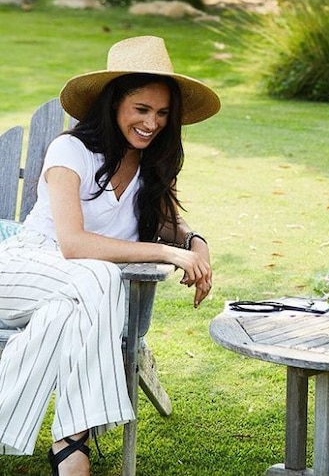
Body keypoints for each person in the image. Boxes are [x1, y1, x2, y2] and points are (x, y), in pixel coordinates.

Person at [0, 35, 219, 476]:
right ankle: (74, 445)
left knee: (66, 311)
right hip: (22, 271)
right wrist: (166, 254)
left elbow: (168, 224)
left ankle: (70, 447)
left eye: (161, 113)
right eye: (141, 109)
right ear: (114, 103)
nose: (152, 123)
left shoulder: (149, 166)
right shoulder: (70, 151)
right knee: (99, 276)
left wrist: (196, 243)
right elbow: (73, 245)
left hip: (78, 297)